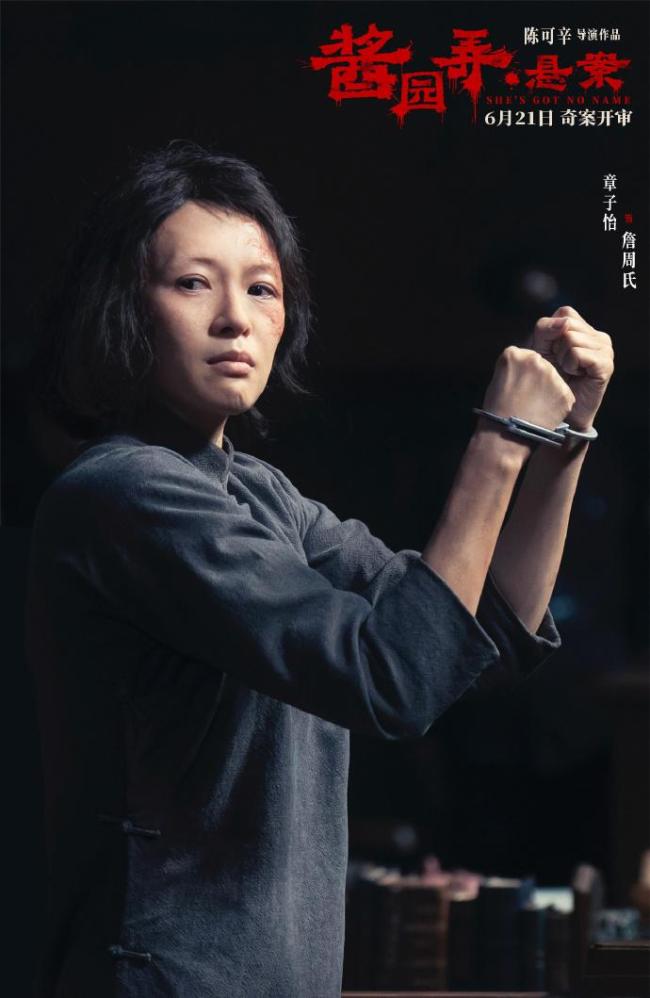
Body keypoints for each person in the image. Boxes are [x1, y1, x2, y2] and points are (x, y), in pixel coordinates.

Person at [25, 140, 614, 998]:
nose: (235, 319)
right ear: (124, 307)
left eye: (261, 288)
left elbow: (476, 627)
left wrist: (566, 439)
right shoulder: (125, 494)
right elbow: (393, 677)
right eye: (193, 283)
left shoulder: (261, 495)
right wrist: (500, 437)